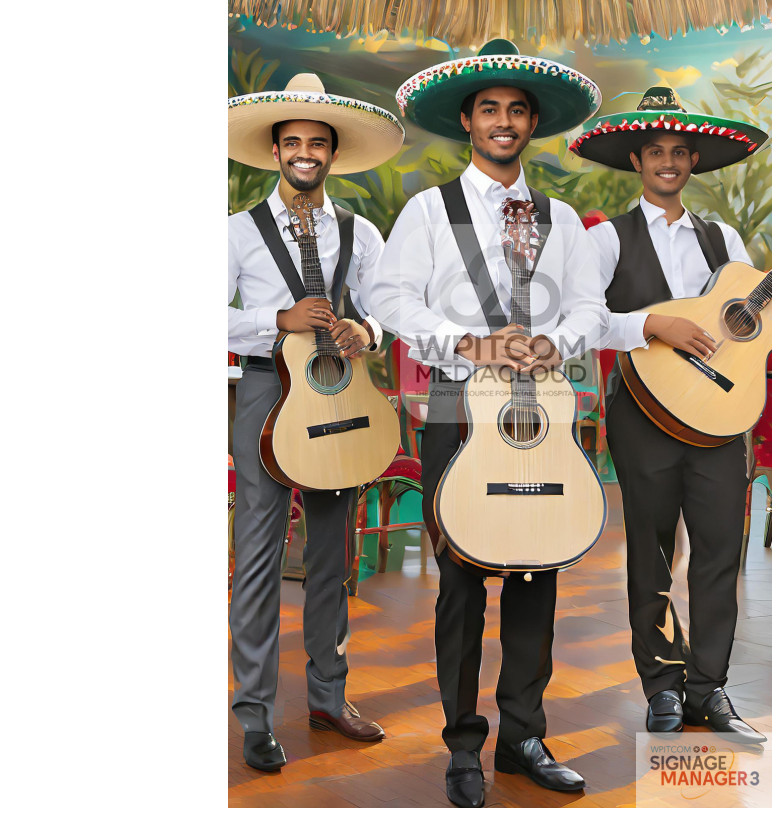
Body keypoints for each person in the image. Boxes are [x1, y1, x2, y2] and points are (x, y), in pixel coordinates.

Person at [365, 40, 605, 807]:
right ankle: (464, 745)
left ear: (533, 123)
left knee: (540, 568)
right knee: (462, 580)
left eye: (518, 110)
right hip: (453, 401)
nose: (504, 122)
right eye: (491, 109)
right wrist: (465, 340)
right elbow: (389, 299)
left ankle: (524, 736)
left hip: (538, 405)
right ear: (468, 119)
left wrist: (553, 341)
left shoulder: (560, 217)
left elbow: (591, 310)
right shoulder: (428, 211)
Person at [570, 86, 769, 744]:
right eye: (656, 151)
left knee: (719, 554)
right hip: (642, 413)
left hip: (719, 418)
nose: (668, 161)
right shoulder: (606, 242)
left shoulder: (724, 238)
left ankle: (708, 690)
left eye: (679, 152)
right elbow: (585, 322)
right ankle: (661, 684)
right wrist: (653, 323)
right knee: (652, 555)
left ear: (692, 163)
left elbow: (755, 321)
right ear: (637, 160)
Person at [227, 72, 404, 771]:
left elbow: (391, 302)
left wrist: (369, 328)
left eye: (317, 143)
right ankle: (255, 715)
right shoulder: (236, 232)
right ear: (275, 151)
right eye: (293, 141)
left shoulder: (360, 232)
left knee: (333, 557)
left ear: (333, 154)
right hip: (268, 396)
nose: (305, 152)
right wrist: (275, 318)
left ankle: (329, 695)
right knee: (261, 557)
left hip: (342, 397)